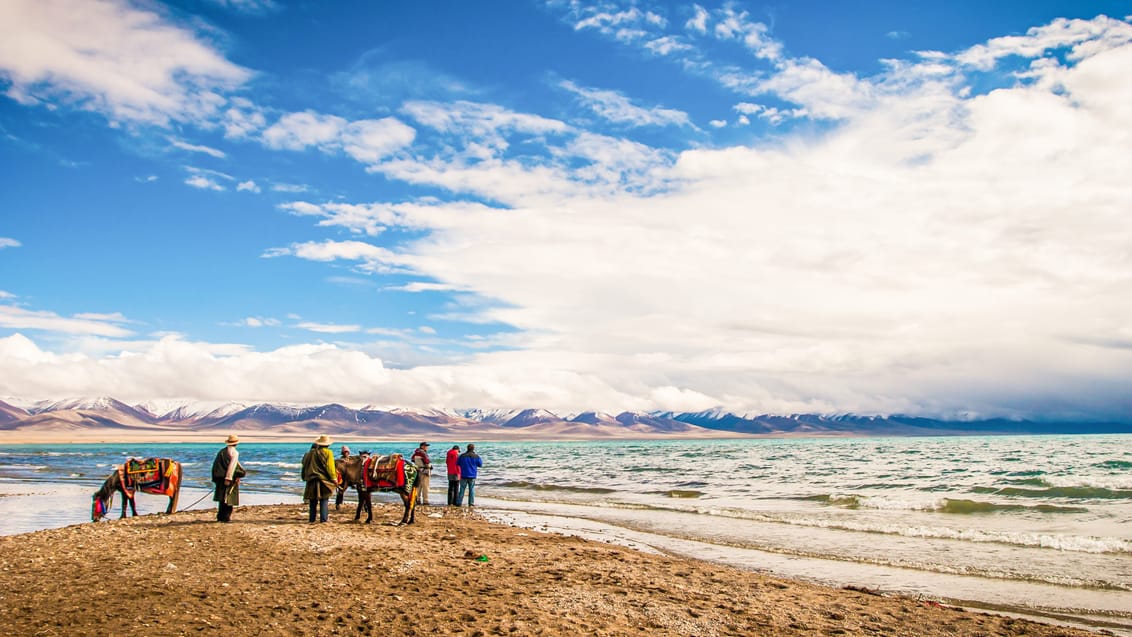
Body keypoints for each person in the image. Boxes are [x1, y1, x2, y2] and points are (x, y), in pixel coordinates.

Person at [301, 434, 338, 523]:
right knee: (324, 499)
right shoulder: (328, 453)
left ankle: (312, 519)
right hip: (323, 480)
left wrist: (304, 477)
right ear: (328, 444)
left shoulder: (308, 454)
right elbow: (330, 468)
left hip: (311, 479)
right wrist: (334, 479)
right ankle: (323, 519)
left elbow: (304, 466)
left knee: (312, 501)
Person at [211, 434, 245, 523]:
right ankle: (226, 517)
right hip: (227, 478)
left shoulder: (222, 451)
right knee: (229, 498)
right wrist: (228, 478)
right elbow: (232, 466)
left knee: (222, 498)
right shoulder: (234, 452)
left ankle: (220, 517)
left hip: (219, 477)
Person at [334, 445, 352, 509]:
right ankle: (338, 503)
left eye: (347, 452)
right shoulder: (339, 461)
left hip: (351, 477)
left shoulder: (352, 459)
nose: (346, 453)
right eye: (344, 452)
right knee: (341, 491)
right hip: (343, 478)